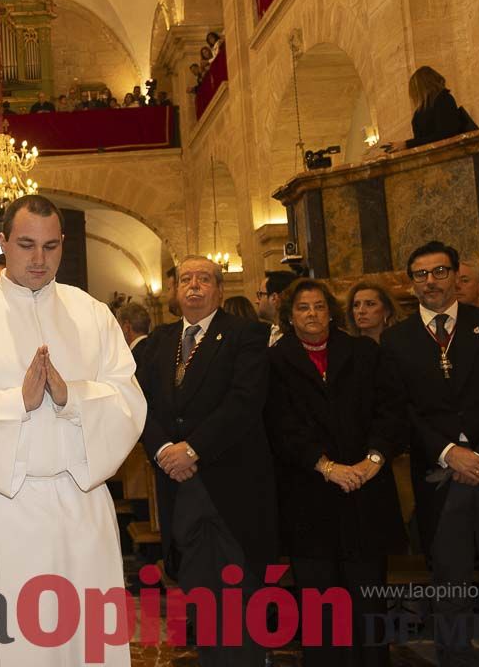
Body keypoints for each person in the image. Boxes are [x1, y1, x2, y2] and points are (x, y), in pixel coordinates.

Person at [0, 195, 147, 666]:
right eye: (26, 245)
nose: (39, 260)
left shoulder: (92, 315)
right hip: (0, 508)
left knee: (85, 640)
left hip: (78, 500)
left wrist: (72, 398)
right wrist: (18, 403)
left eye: (50, 247)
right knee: (9, 646)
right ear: (3, 242)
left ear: (63, 244)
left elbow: (129, 401)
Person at [380, 241, 479, 667]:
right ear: (411, 284)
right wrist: (451, 452)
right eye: (420, 274)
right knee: (449, 585)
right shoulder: (396, 340)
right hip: (439, 475)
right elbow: (401, 409)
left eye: (439, 271)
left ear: (455, 275)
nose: (430, 281)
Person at [138, 255, 275, 667]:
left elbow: (244, 401)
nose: (194, 286)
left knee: (239, 593)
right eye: (186, 280)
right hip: (179, 487)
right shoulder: (158, 343)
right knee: (200, 595)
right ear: (175, 292)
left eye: (204, 279)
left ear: (219, 289)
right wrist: (164, 451)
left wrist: (191, 449)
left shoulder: (247, 334)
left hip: (231, 487)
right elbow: (138, 405)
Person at [266, 279, 407, 667]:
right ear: (290, 316)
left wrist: (372, 461)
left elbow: (392, 411)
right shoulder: (275, 362)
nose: (312, 314)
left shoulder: (364, 352)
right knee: (320, 606)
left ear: (331, 311)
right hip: (308, 496)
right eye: (302, 308)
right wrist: (326, 466)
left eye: (318, 306)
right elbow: (280, 425)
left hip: (365, 490)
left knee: (368, 603)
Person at [407, 66, 476, 147]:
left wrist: (408, 144)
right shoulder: (444, 99)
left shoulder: (418, 115)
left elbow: (445, 134)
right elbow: (447, 133)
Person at [257, 270, 295, 346]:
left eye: (260, 294)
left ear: (274, 298)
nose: (257, 301)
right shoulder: (270, 331)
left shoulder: (294, 336)